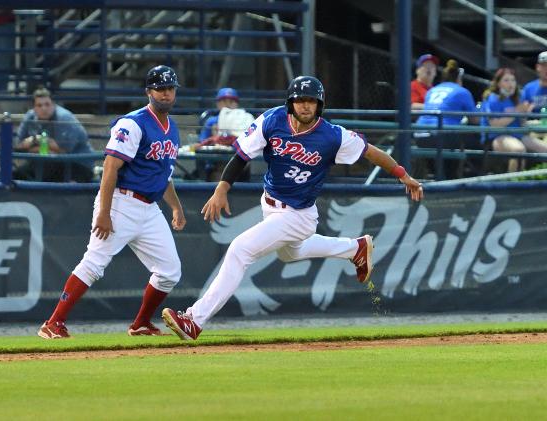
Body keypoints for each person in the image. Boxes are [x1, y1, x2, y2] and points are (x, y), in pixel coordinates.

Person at [161, 76, 423, 341]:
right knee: (291, 253)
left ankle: (194, 319)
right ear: (291, 102)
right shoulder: (272, 120)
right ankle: (355, 248)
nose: (306, 106)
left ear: (319, 105)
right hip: (271, 204)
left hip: (298, 214)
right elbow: (241, 155)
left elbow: (371, 152)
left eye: (312, 101)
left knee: (240, 250)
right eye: (300, 100)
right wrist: (222, 188)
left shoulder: (332, 136)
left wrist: (403, 175)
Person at [38, 65, 186, 339]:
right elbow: (110, 167)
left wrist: (175, 206)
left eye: (170, 88)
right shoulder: (133, 123)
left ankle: (140, 323)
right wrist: (104, 212)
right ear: (148, 92)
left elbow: (163, 173)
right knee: (94, 263)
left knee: (169, 272)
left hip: (149, 208)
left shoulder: (172, 128)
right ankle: (53, 322)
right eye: (160, 89)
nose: (166, 94)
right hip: (122, 202)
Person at [415, 59, 480, 178]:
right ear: (458, 79)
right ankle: (473, 177)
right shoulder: (462, 91)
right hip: (441, 136)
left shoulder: (432, 90)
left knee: (451, 140)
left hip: (420, 135)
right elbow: (475, 120)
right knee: (478, 138)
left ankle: (439, 176)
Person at [14, 88, 95, 182]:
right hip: (45, 162)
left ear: (53, 105)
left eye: (47, 104)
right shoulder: (30, 116)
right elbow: (19, 146)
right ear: (34, 108)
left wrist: (34, 144)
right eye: (39, 105)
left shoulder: (64, 118)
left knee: (45, 169)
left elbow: (64, 151)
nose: (44, 108)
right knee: (17, 174)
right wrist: (37, 140)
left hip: (79, 165)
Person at [481, 68, 531, 172]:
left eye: (513, 80)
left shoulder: (518, 98)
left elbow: (522, 124)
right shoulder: (492, 98)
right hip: (496, 137)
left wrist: (524, 113)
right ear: (498, 83)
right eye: (506, 80)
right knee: (518, 150)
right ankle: (513, 184)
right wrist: (517, 111)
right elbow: (494, 124)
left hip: (517, 134)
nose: (511, 83)